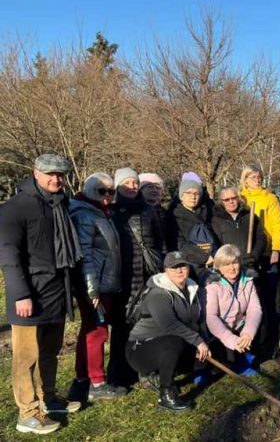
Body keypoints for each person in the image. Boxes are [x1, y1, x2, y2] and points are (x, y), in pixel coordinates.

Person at [0, 154, 82, 434]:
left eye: (60, 174)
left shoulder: (60, 204)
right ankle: (27, 413)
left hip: (56, 292)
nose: (56, 179)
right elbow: (8, 254)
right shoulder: (15, 208)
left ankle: (49, 399)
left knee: (50, 351)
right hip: (29, 295)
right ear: (35, 173)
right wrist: (21, 294)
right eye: (50, 174)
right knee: (26, 358)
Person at [126, 251, 210, 412]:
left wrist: (204, 342)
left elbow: (196, 320)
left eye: (183, 266)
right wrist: (198, 341)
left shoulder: (192, 289)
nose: (179, 270)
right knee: (174, 342)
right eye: (174, 267)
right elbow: (169, 325)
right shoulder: (158, 294)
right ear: (165, 270)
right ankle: (166, 394)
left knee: (207, 359)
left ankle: (159, 375)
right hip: (141, 349)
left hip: (171, 343)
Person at [69, 173, 127, 402]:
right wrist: (92, 289)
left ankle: (82, 378)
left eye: (111, 192)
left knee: (89, 330)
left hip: (105, 283)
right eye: (103, 191)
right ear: (92, 190)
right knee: (97, 332)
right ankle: (97, 382)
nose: (108, 196)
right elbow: (86, 255)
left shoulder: (100, 212)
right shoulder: (84, 214)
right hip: (96, 285)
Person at [110, 167, 164, 388]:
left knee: (148, 324)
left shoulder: (148, 211)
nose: (132, 187)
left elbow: (160, 242)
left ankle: (146, 370)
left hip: (148, 276)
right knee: (122, 327)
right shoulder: (112, 212)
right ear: (118, 186)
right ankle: (118, 373)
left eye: (135, 183)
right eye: (127, 183)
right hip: (123, 278)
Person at [239, 164, 280, 354]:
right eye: (252, 177)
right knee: (248, 299)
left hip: (265, 254)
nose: (256, 180)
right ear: (245, 179)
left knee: (268, 298)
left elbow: (277, 224)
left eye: (259, 176)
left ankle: (272, 339)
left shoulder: (269, 198)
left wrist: (276, 248)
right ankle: (250, 340)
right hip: (245, 255)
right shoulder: (241, 199)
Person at [205, 245, 262, 374]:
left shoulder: (248, 281)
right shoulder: (212, 285)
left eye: (235, 262)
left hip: (239, 325)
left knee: (260, 328)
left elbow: (255, 309)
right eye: (226, 264)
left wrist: (248, 333)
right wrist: (231, 340)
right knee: (222, 363)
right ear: (219, 267)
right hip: (220, 330)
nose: (232, 268)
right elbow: (211, 317)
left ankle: (246, 358)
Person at [166, 178, 218, 277]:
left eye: (196, 193)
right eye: (188, 193)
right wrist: (204, 257)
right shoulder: (174, 217)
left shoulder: (207, 213)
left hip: (214, 262)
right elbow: (179, 244)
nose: (193, 196)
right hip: (190, 265)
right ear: (181, 196)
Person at [211, 186, 267, 273]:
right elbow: (216, 245)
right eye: (226, 199)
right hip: (229, 268)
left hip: (250, 266)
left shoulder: (249, 216)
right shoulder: (216, 221)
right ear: (221, 202)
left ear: (238, 198)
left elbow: (261, 238)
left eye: (233, 198)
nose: (231, 201)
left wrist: (254, 255)